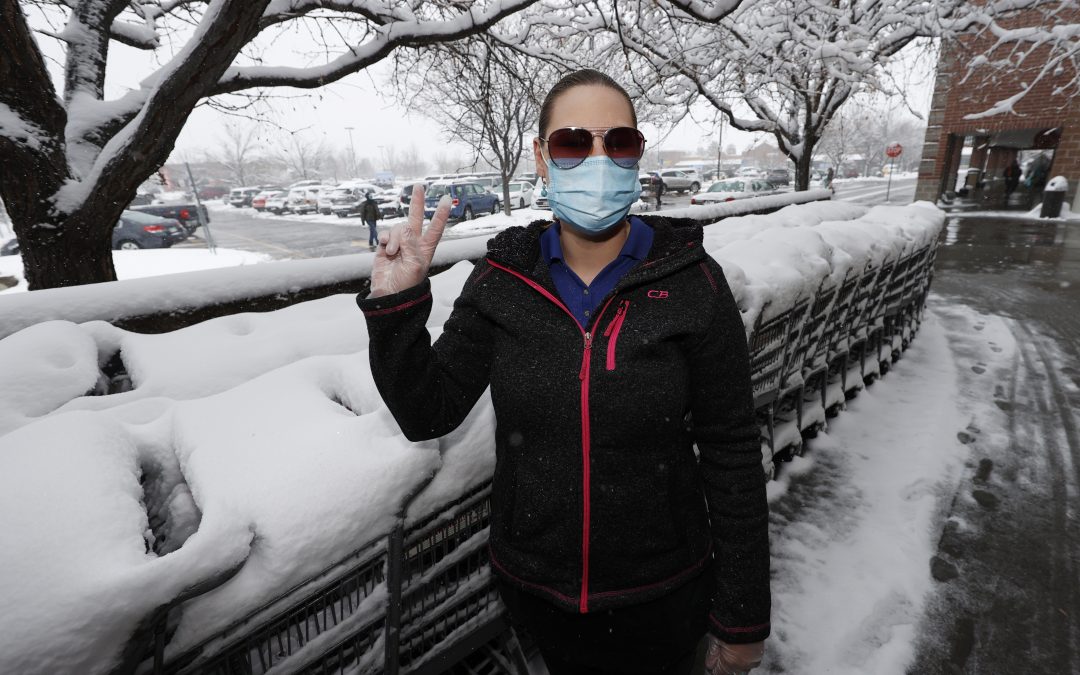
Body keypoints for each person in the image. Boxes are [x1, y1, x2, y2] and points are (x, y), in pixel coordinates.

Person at [357, 69, 770, 675]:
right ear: (542, 158)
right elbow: (427, 413)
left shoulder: (691, 282)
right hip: (540, 594)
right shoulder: (503, 282)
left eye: (619, 143)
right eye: (574, 143)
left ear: (636, 157)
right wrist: (397, 307)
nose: (598, 160)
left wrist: (742, 619)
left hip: (666, 594)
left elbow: (733, 451)